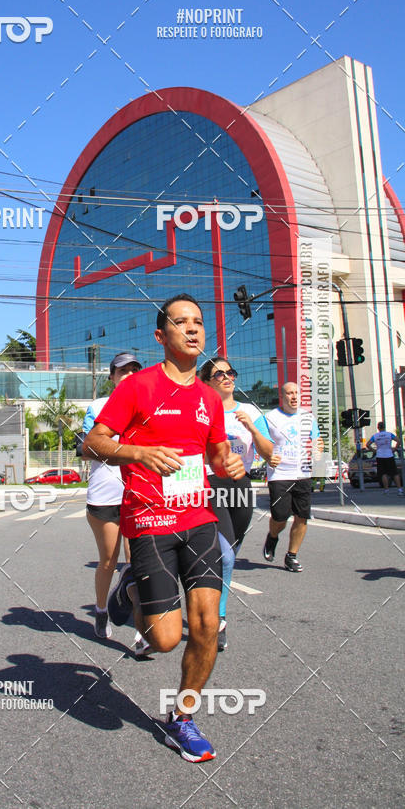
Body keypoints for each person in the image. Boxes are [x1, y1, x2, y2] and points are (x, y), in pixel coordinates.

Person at [84, 293, 245, 763]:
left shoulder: (208, 399)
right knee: (164, 639)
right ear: (162, 336)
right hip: (150, 521)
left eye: (198, 322)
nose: (193, 330)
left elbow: (215, 454)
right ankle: (131, 587)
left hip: (197, 519)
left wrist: (229, 462)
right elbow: (92, 443)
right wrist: (140, 453)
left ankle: (183, 718)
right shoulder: (138, 387)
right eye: (181, 322)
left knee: (207, 626)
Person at [199, 357, 275, 651]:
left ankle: (207, 598)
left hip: (241, 486)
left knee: (228, 555)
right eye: (218, 374)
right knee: (227, 557)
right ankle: (218, 619)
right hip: (210, 483)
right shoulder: (202, 410)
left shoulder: (251, 411)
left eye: (230, 372)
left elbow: (268, 453)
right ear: (207, 381)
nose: (226, 377)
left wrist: (253, 429)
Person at [80, 352, 142, 639]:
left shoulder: (148, 406)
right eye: (122, 370)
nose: (128, 374)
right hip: (105, 495)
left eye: (133, 369)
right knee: (108, 560)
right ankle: (102, 609)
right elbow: (90, 448)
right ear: (112, 377)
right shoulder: (97, 406)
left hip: (139, 493)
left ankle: (142, 630)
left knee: (137, 562)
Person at [263, 382, 322, 572]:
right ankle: (272, 537)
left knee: (302, 517)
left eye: (297, 392)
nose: (294, 396)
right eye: (290, 393)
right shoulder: (270, 417)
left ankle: (291, 556)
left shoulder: (307, 417)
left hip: (303, 473)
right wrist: (268, 456)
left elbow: (317, 440)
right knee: (280, 516)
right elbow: (262, 443)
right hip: (279, 474)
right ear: (283, 396)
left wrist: (318, 452)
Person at [366, 422, 403, 494]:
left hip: (380, 456)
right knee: (394, 473)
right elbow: (398, 441)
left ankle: (386, 490)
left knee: (383, 473)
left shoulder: (375, 436)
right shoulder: (389, 434)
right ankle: (399, 489)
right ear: (384, 427)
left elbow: (367, 444)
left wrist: (374, 450)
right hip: (389, 455)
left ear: (378, 428)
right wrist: (395, 449)